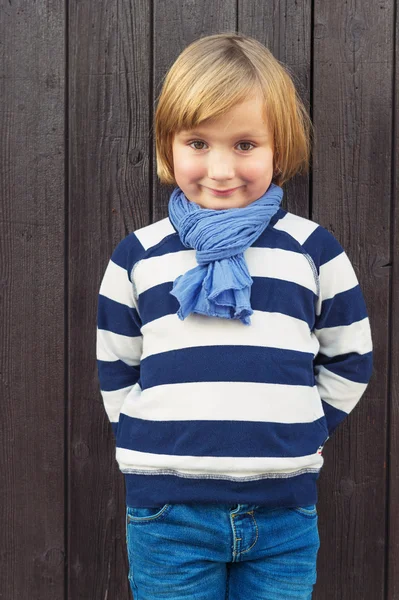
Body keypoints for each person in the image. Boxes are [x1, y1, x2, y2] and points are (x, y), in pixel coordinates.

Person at [96, 32, 373, 600]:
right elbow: (117, 363)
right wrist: (144, 437)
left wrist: (305, 426)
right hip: (168, 515)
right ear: (168, 145)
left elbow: (351, 356)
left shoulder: (311, 250)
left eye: (245, 144)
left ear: (281, 148)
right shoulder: (140, 255)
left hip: (284, 512)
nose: (220, 169)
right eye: (198, 142)